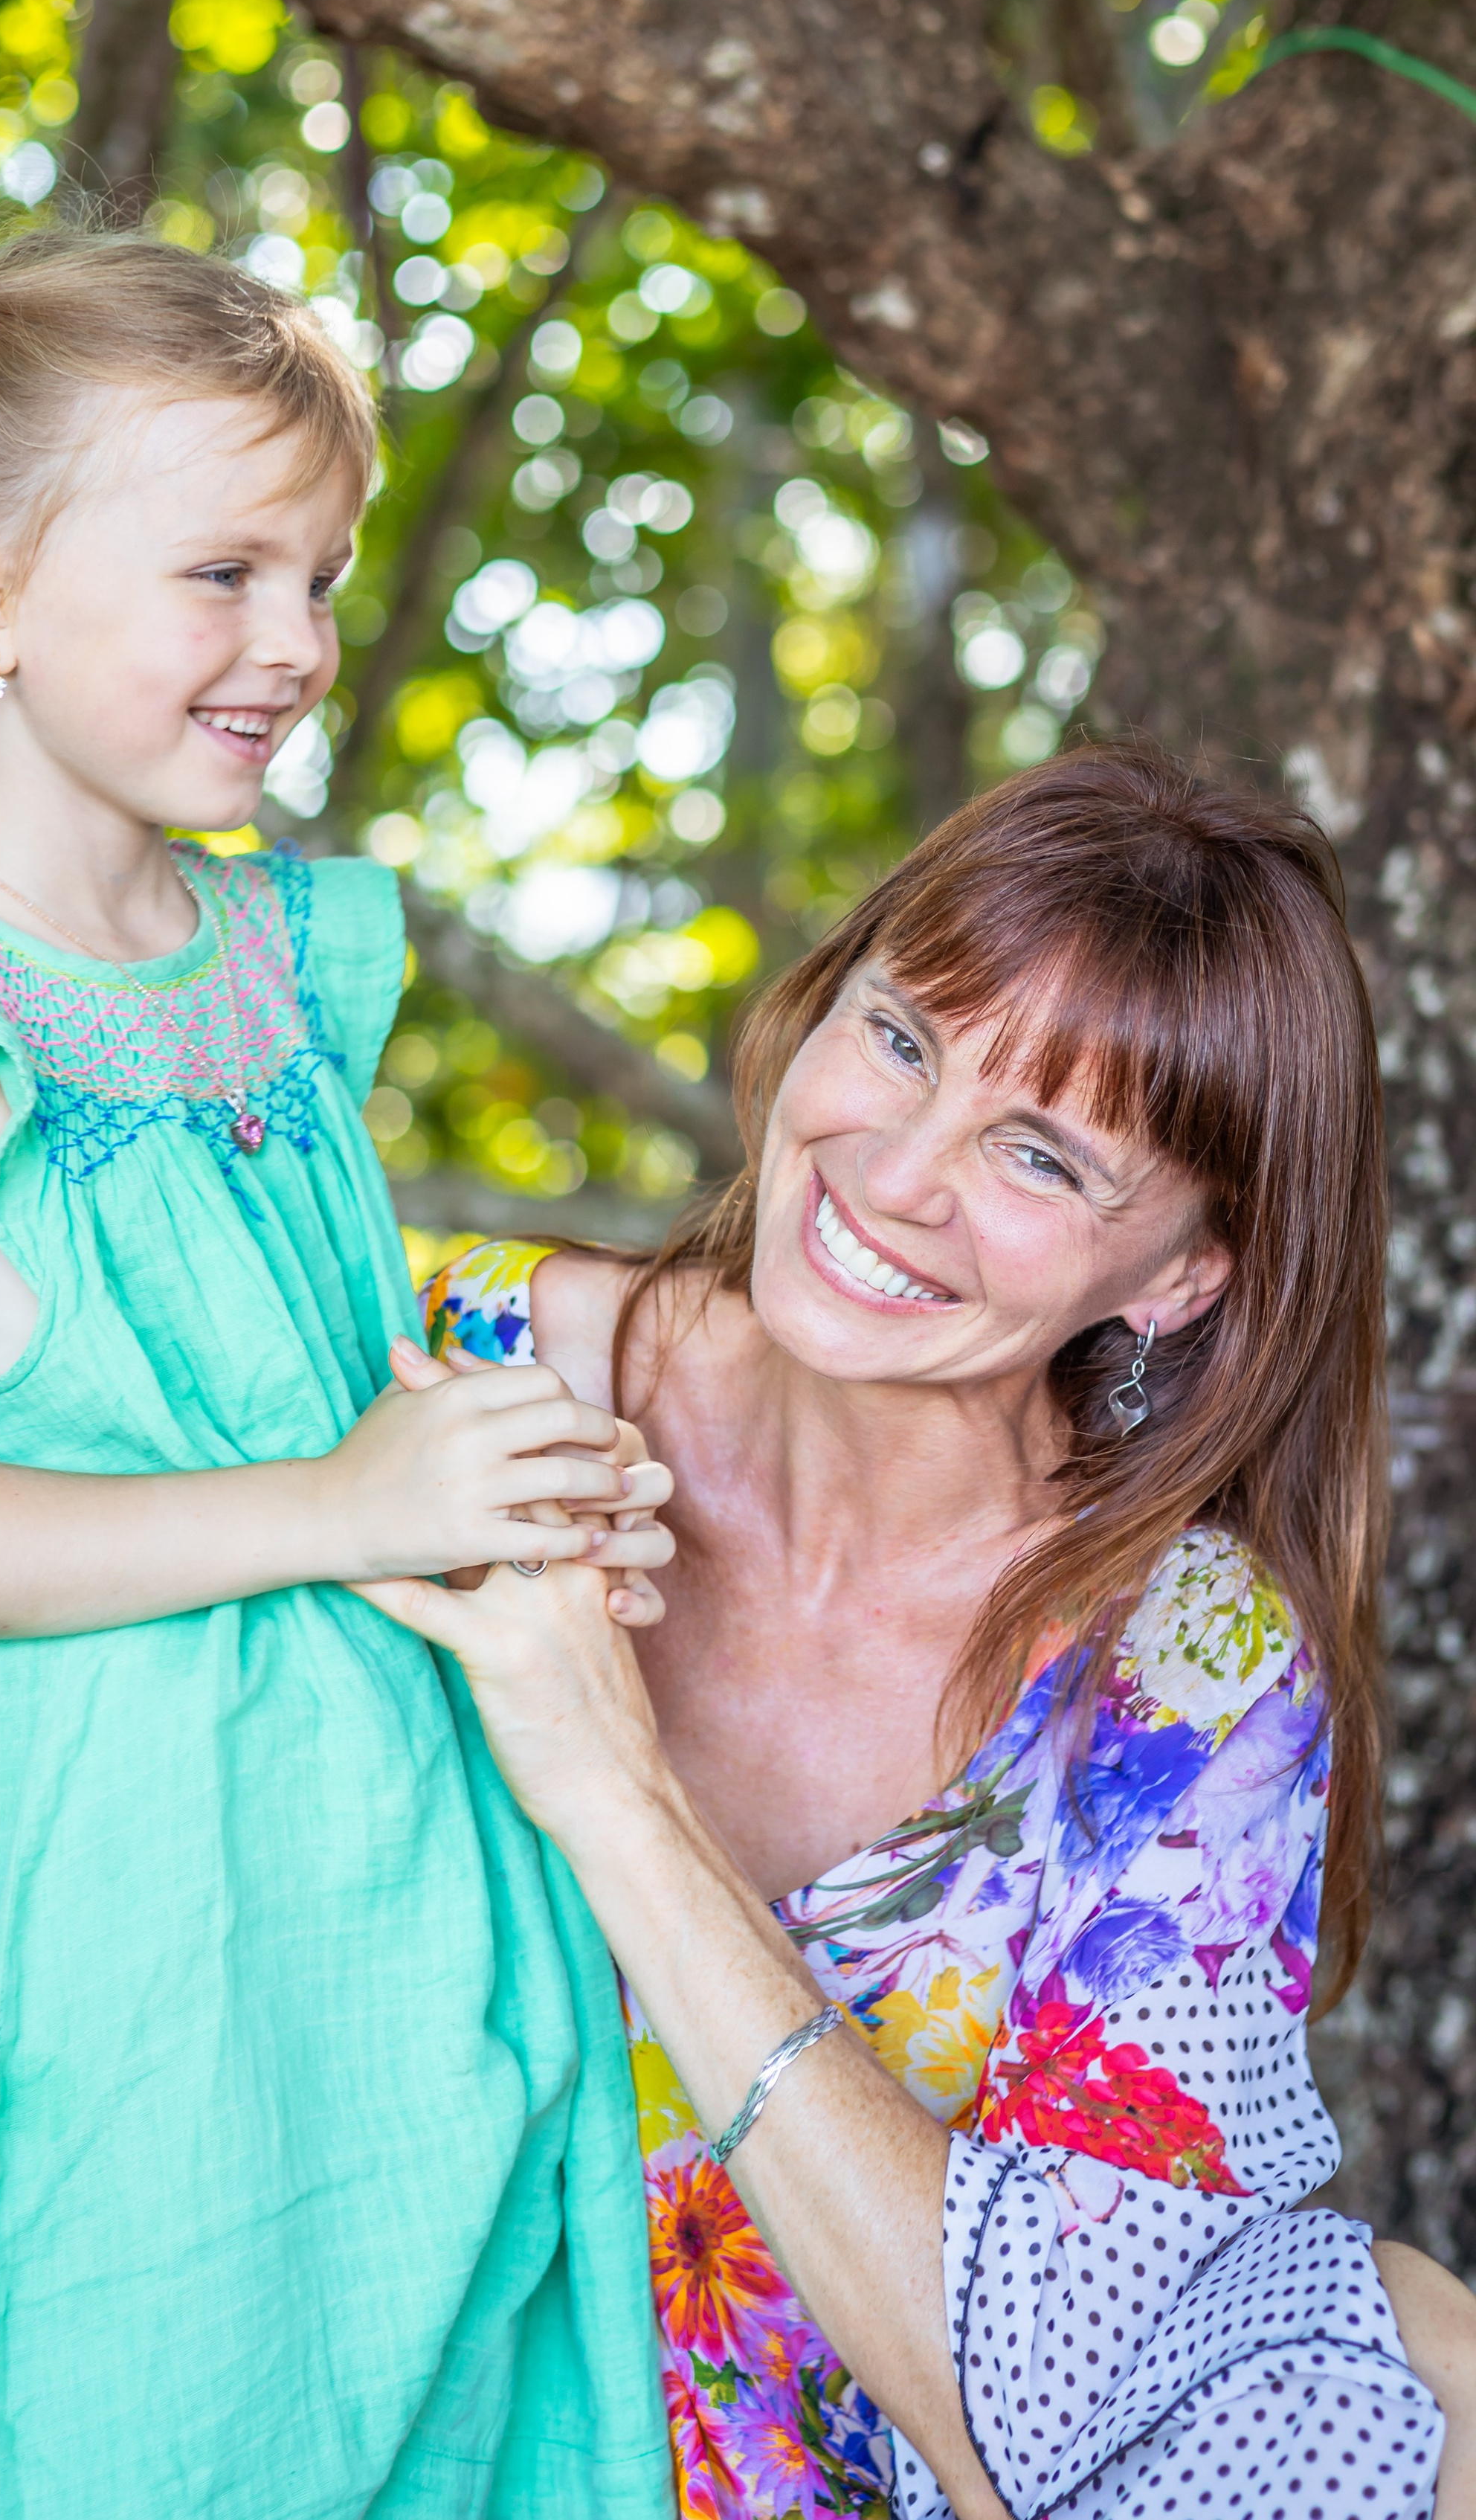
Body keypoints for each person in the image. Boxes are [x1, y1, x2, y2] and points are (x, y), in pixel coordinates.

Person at [0, 226, 677, 2519]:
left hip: (373, 1884)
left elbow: (310, 1380)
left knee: (421, 2412)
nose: (295, 645)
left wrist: (499, 1469)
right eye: (223, 572)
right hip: (87, 1948)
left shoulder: (283, 956)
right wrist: (344, 1500)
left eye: (316, 577)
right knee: (107, 2430)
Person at [376, 748, 1476, 2519]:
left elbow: (1029, 2428)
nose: (890, 1174)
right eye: (897, 1037)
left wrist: (610, 1789)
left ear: (1177, 1273)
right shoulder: (443, 1361)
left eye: (1036, 1151)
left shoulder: (1185, 1678)